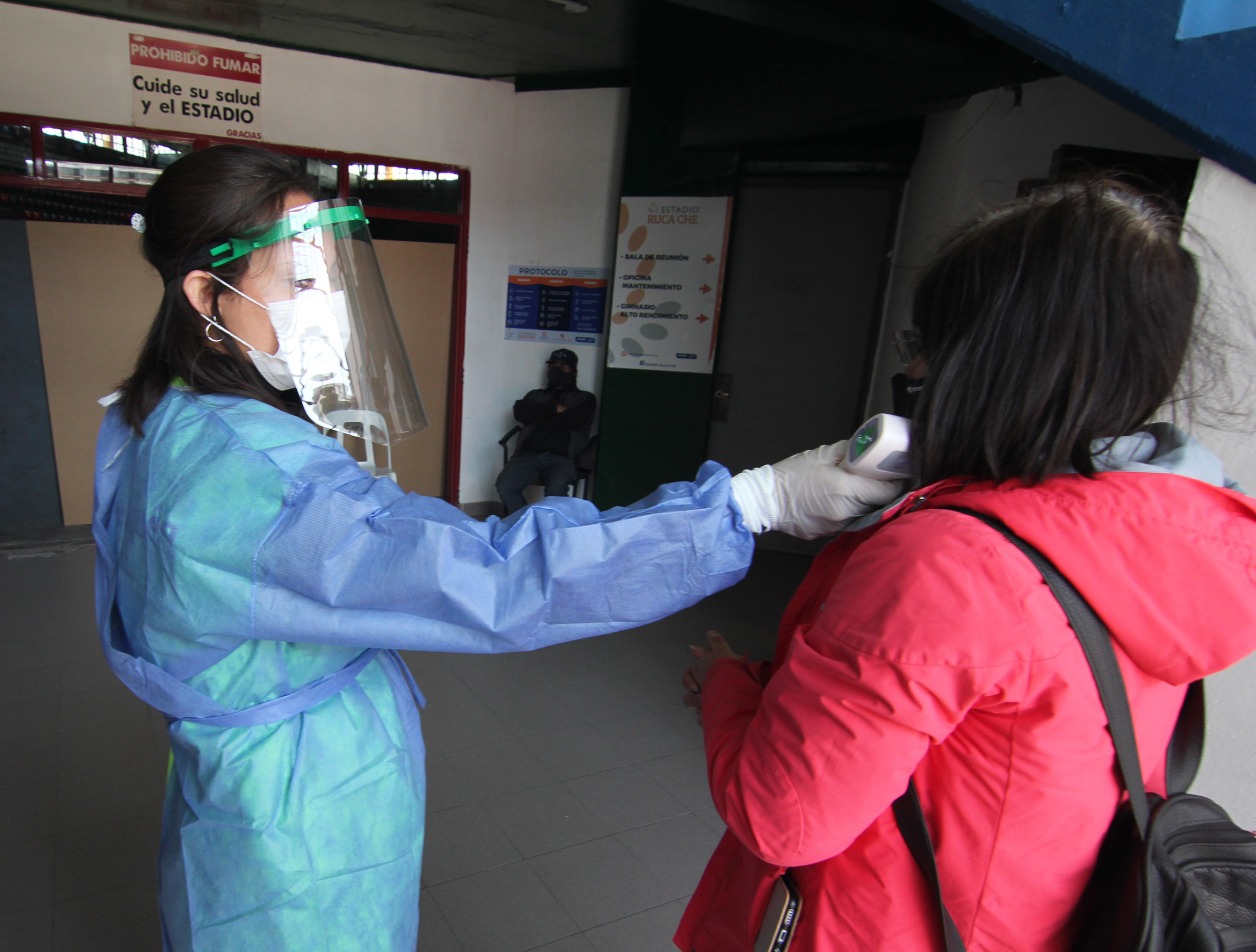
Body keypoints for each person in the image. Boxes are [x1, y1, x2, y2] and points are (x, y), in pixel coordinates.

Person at [91, 144, 903, 952]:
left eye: (332, 277)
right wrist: (754, 502)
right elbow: (494, 575)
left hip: (240, 787)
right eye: (304, 282)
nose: (329, 304)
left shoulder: (158, 418)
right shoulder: (253, 476)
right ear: (208, 293)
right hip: (294, 826)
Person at [675, 181, 1256, 951]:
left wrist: (727, 686)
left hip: (887, 927)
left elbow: (784, 815)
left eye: (927, 346)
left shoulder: (951, 559)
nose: (915, 372)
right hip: (1029, 919)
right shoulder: (1178, 531)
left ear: (990, 361)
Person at [495, 347, 597, 513]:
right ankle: (526, 525)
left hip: (563, 458)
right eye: (553, 366)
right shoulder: (535, 395)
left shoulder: (585, 398)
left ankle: (552, 531)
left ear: (573, 371)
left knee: (555, 492)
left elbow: (576, 421)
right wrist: (557, 409)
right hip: (527, 456)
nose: (557, 370)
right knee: (505, 486)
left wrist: (540, 413)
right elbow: (520, 412)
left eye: (563, 366)